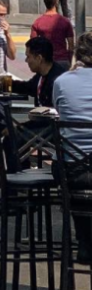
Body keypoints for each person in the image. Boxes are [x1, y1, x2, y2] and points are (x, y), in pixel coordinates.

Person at [52, 32, 92, 263]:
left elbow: (59, 109)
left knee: (75, 183)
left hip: (72, 171)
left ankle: (85, 243)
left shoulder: (62, 81)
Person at [13, 36, 66, 108]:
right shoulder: (41, 76)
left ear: (39, 58)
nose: (26, 60)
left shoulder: (57, 80)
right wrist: (4, 82)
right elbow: (26, 87)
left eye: (28, 57)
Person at [30, 0, 75, 67]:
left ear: (44, 2)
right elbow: (71, 45)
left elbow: (33, 44)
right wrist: (69, 60)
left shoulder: (37, 22)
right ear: (57, 2)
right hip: (62, 60)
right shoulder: (65, 22)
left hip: (45, 62)